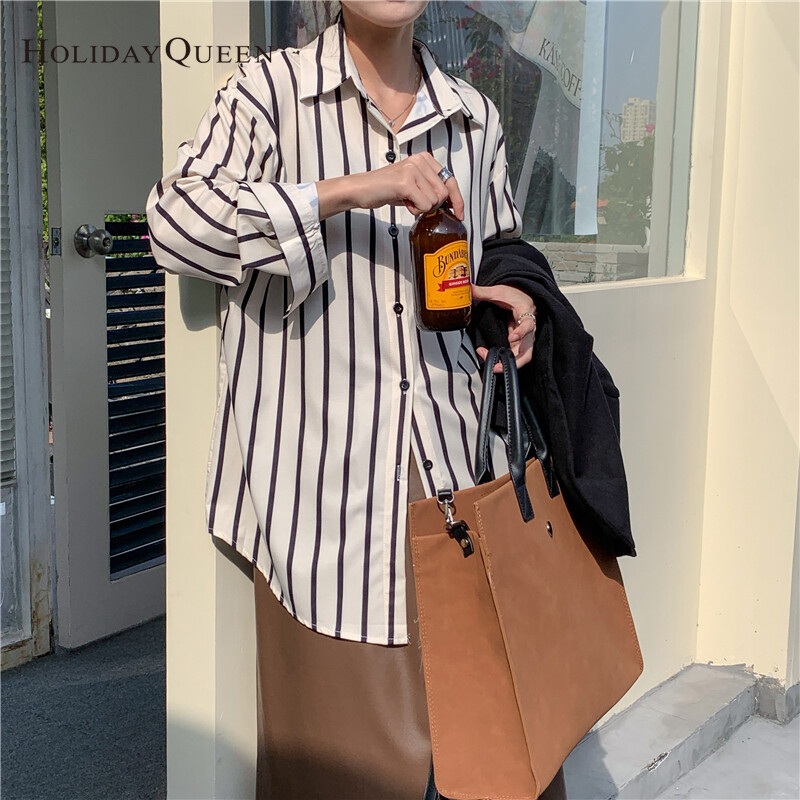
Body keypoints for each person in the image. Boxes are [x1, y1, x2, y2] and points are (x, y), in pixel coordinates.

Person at [146, 1, 566, 798]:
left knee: (488, 750)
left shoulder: (472, 117)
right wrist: (352, 189)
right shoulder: (270, 93)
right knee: (342, 770)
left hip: (450, 473)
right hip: (317, 492)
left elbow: (501, 246)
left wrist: (516, 300)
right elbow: (173, 223)